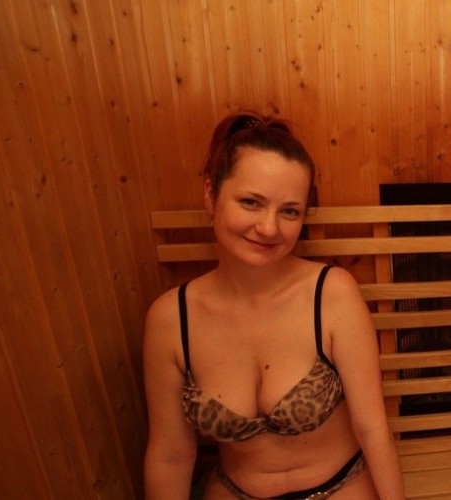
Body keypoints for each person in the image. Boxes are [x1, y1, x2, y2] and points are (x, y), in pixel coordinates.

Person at [143, 113, 405, 499]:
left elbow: (373, 429)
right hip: (235, 490)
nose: (269, 228)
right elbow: (171, 456)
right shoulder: (170, 319)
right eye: (251, 202)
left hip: (339, 487)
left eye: (289, 211)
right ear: (211, 194)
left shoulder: (332, 294)